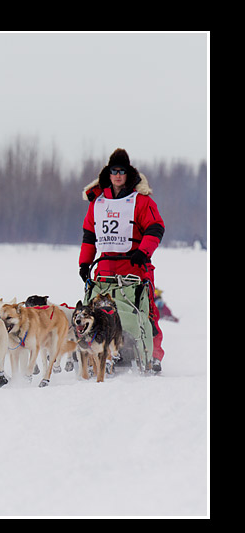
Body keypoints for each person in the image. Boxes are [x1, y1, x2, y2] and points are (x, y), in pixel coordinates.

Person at [78, 148, 165, 371]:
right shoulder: (97, 202)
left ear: (128, 174)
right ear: (108, 174)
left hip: (135, 265)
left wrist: (143, 252)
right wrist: (85, 263)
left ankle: (153, 354)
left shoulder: (141, 201)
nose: (118, 175)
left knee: (145, 312)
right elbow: (89, 235)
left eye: (122, 171)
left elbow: (155, 228)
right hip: (104, 268)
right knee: (99, 312)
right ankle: (104, 352)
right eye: (114, 171)